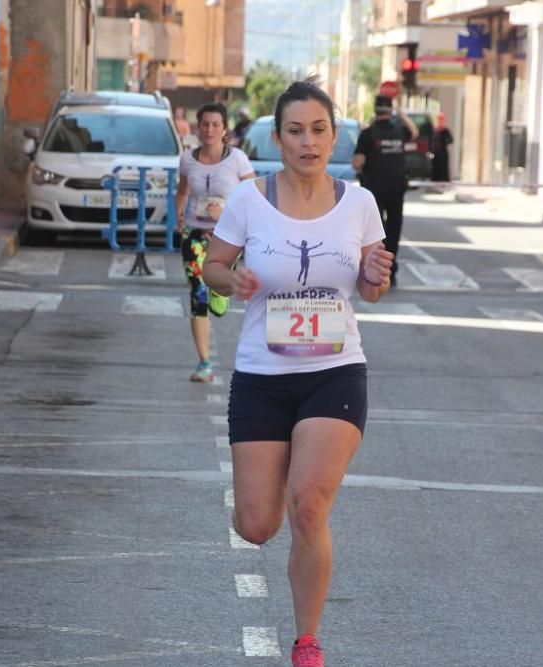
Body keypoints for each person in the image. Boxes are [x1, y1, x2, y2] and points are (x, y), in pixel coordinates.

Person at [203, 78, 394, 667]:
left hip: (334, 372)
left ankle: (307, 641)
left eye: (319, 130)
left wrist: (375, 276)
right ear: (277, 139)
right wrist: (229, 280)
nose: (308, 142)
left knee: (309, 503)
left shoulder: (360, 203)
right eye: (295, 131)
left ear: (333, 135)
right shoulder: (248, 200)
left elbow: (373, 290)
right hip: (262, 374)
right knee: (258, 524)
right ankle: (276, 490)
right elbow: (212, 265)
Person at [174, 102, 255, 382]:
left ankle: (219, 293)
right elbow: (182, 191)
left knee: (219, 291)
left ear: (224, 130)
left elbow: (253, 196)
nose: (209, 130)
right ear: (198, 127)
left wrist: (227, 211)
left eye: (215, 125)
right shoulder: (187, 159)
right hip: (195, 235)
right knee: (197, 293)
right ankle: (204, 362)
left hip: (228, 237)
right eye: (205, 124)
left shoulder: (237, 160)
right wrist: (180, 219)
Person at [352, 95, 417, 287]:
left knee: (375, 232)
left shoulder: (368, 134)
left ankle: (376, 270)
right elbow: (414, 132)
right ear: (390, 111)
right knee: (394, 228)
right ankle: (391, 270)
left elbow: (357, 163)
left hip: (374, 189)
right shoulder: (400, 131)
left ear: (375, 110)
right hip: (397, 188)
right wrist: (402, 114)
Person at [431, 111, 453, 190]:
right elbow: (431, 140)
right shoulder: (434, 130)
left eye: (441, 119)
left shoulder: (445, 130)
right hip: (435, 153)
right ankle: (436, 183)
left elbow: (450, 140)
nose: (439, 120)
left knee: (443, 167)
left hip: (443, 152)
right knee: (436, 167)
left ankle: (444, 183)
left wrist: (444, 141)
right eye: (438, 119)